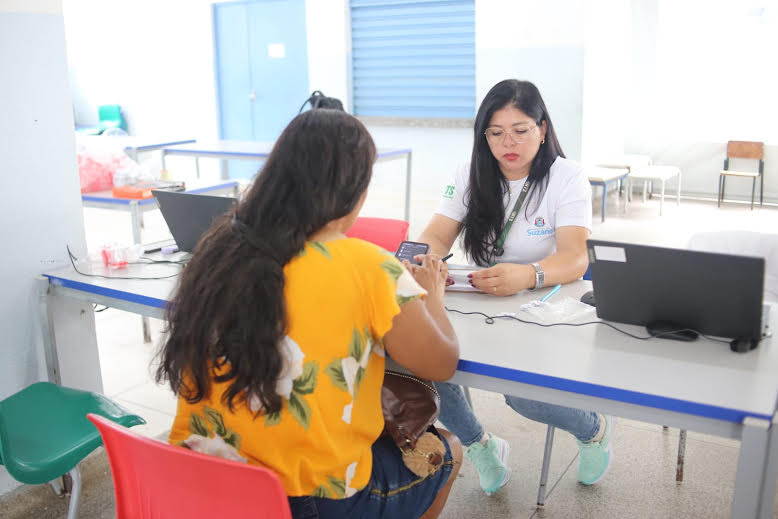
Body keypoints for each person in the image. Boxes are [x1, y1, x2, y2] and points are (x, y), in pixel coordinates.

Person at [156, 109, 462, 519]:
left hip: (204, 479)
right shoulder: (369, 266)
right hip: (308, 499)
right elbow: (441, 363)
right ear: (356, 194)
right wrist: (433, 295)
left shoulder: (221, 245)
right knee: (447, 451)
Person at [416, 79, 612, 495]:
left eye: (521, 130)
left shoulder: (567, 177)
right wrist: (430, 259)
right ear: (483, 136)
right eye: (496, 132)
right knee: (431, 364)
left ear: (542, 129)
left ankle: (593, 429)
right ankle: (481, 446)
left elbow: (576, 256)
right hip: (483, 300)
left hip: (547, 305)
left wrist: (527, 275)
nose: (509, 142)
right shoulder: (470, 174)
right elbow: (436, 233)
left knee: (522, 397)